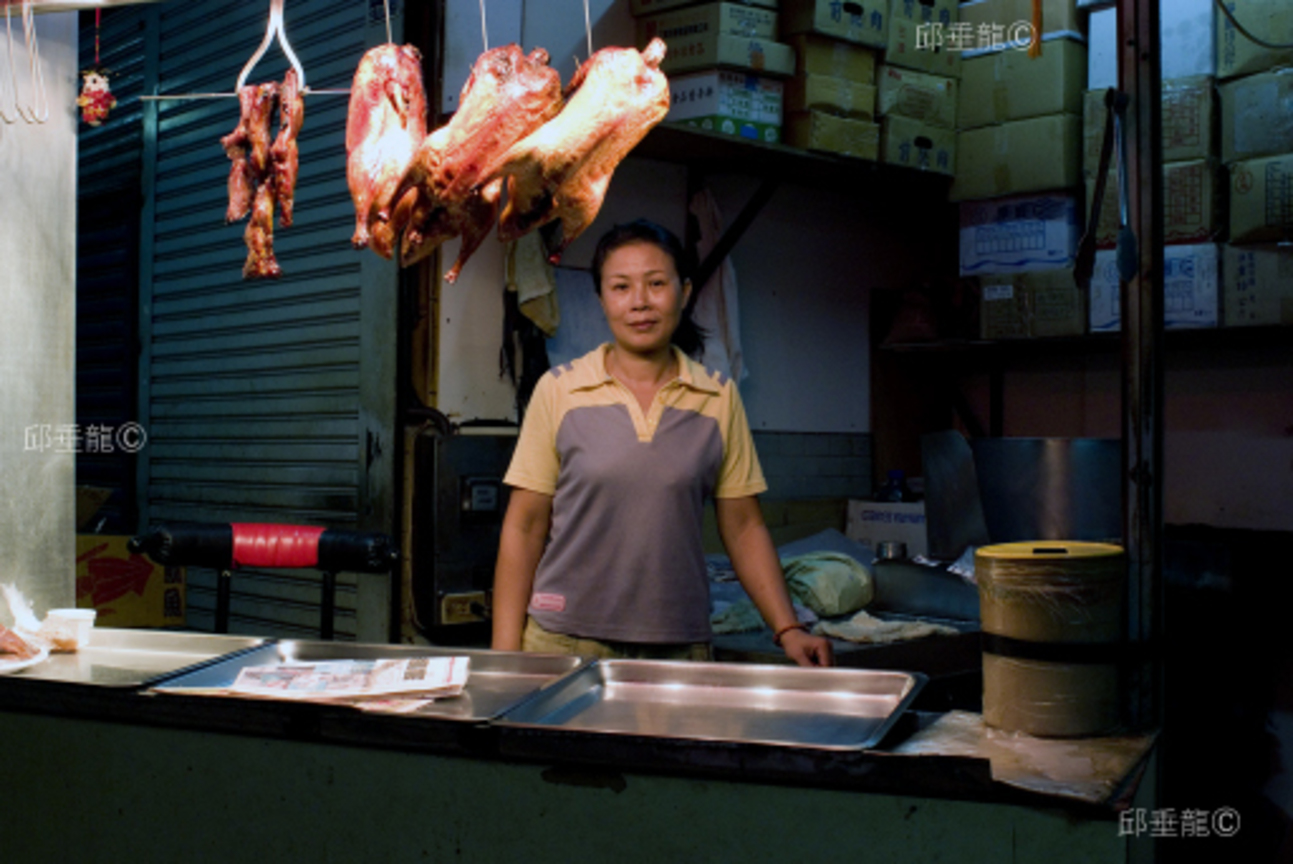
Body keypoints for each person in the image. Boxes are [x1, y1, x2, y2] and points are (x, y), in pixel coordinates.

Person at [491, 219, 834, 667]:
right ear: (602, 299)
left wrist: (788, 628)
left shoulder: (717, 397)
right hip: (563, 643)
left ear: (684, 293)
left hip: (681, 647)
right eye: (620, 287)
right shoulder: (559, 391)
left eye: (656, 284)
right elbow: (524, 526)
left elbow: (744, 526)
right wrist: (502, 654)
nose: (640, 302)